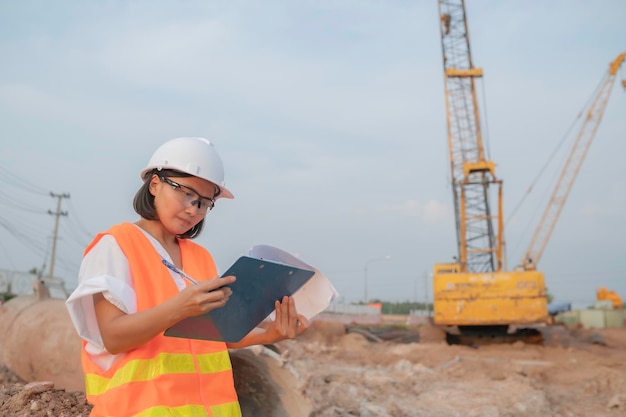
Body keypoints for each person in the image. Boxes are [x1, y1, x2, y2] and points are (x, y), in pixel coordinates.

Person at [65, 137, 309, 417]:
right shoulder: (116, 245)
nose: (194, 209)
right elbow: (113, 337)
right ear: (154, 184)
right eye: (186, 193)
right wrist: (180, 307)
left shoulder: (200, 258)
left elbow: (211, 336)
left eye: (205, 203)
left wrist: (270, 334)